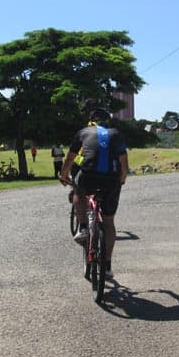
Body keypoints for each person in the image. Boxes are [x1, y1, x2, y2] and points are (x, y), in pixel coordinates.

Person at [59, 107, 128, 278]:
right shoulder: (116, 134)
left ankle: (83, 227)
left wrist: (64, 175)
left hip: (88, 175)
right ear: (107, 121)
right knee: (109, 221)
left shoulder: (83, 132)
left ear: (91, 121)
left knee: (78, 190)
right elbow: (124, 163)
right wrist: (121, 180)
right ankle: (107, 266)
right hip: (111, 179)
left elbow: (70, 158)